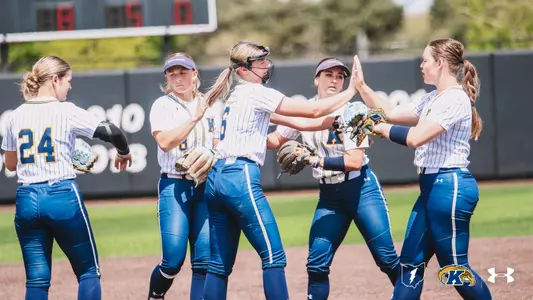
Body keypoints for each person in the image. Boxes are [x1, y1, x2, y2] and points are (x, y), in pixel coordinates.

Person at [201, 41, 359, 300]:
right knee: (274, 257)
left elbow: (304, 122)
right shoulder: (256, 92)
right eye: (259, 62)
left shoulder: (230, 94)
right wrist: (352, 90)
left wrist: (341, 121)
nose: (266, 65)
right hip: (239, 177)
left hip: (216, 179)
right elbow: (315, 108)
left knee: (219, 264)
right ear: (243, 69)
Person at [352, 38, 492, 299]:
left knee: (455, 268)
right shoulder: (433, 98)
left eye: (425, 60)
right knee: (410, 265)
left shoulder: (455, 99)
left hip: (450, 187)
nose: (421, 65)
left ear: (439, 63)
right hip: (433, 189)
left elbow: (416, 137)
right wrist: (361, 86)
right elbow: (391, 112)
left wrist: (379, 128)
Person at [267, 57, 400, 300]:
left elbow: (354, 161)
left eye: (340, 76)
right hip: (329, 197)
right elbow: (275, 140)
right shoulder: (305, 110)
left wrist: (314, 160)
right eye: (329, 74)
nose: (335, 80)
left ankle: (411, 294)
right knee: (316, 264)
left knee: (387, 258)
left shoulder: (356, 110)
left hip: (361, 190)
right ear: (316, 79)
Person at [1, 56, 132, 300]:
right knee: (88, 272)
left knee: (37, 280)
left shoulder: (14, 116)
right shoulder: (65, 111)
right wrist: (124, 152)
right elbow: (113, 131)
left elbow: (10, 164)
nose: (69, 86)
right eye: (67, 81)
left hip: (27, 199)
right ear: (54, 80)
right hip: (61, 194)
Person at [147, 53, 222, 300]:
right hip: (174, 185)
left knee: (203, 261)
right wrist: (194, 118)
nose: (178, 78)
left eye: (183, 72)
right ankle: (156, 295)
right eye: (172, 73)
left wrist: (214, 151)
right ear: (167, 77)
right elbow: (165, 142)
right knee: (173, 260)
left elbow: (220, 143)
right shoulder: (162, 105)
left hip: (204, 186)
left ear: (194, 74)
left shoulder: (213, 105)